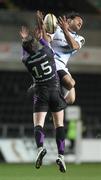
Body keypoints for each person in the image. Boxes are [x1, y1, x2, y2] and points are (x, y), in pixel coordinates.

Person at [20, 26, 67, 173]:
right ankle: (61, 156)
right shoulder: (47, 52)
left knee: (38, 125)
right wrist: (39, 37)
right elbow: (46, 44)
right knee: (59, 125)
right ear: (36, 45)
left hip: (41, 94)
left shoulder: (26, 61)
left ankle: (40, 148)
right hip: (55, 92)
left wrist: (24, 39)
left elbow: (25, 52)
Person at [36, 11, 85, 104]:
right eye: (78, 20)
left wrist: (65, 30)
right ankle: (53, 103)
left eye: (82, 23)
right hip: (52, 61)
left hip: (62, 66)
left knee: (71, 99)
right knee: (70, 83)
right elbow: (46, 41)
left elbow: (74, 46)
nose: (80, 23)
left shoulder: (80, 38)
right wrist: (42, 26)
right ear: (69, 21)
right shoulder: (57, 29)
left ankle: (52, 105)